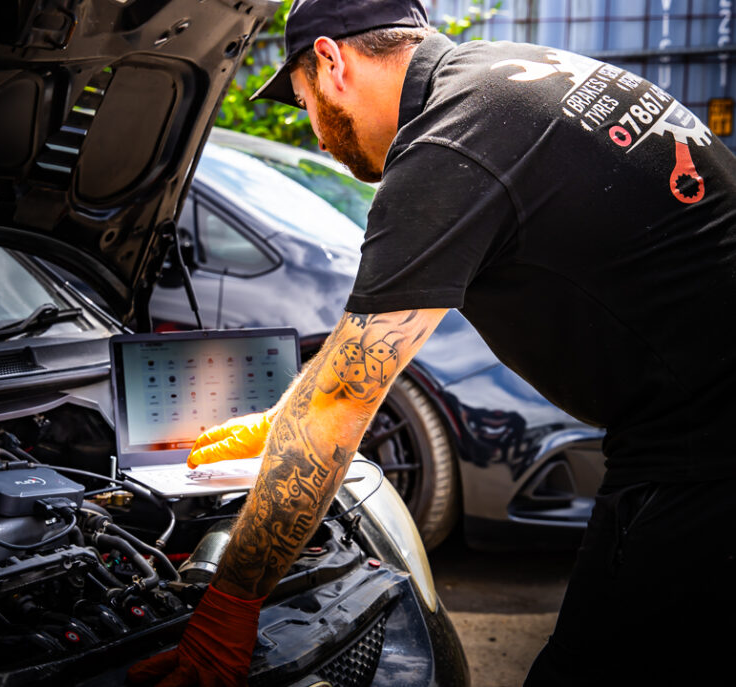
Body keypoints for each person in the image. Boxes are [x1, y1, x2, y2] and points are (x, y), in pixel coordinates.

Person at [128, 0, 736, 684]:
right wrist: (282, 420)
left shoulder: (450, 142)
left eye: (303, 103)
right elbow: (366, 348)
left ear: (331, 61)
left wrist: (230, 607)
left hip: (704, 450)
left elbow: (341, 401)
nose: (316, 135)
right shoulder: (505, 78)